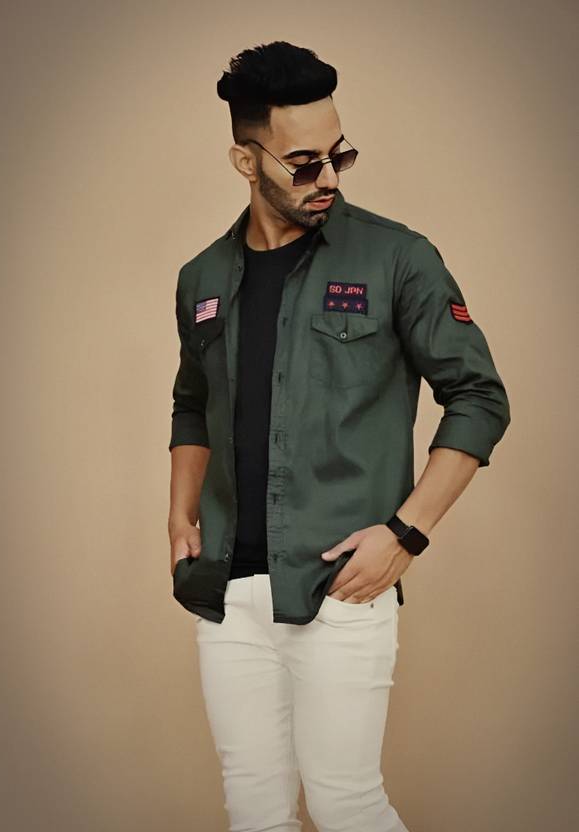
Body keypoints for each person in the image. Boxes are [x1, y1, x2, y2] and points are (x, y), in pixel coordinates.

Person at [167, 40, 511, 832]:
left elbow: (478, 397)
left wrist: (405, 534)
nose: (327, 179)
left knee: (344, 804)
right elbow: (191, 403)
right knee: (253, 808)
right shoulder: (201, 278)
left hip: (339, 585)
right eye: (303, 164)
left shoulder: (398, 259)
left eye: (338, 156)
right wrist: (180, 514)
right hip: (227, 592)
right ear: (244, 160)